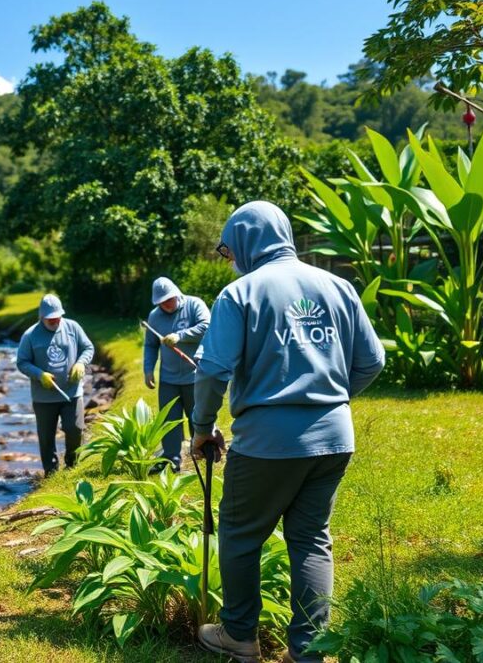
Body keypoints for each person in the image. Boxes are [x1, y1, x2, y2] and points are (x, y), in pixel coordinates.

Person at [191, 201, 385, 663]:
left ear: (244, 242)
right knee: (312, 539)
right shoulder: (339, 287)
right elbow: (373, 360)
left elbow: (213, 370)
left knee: (240, 534)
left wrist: (202, 427)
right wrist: (330, 399)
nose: (228, 259)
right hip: (333, 439)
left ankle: (239, 635)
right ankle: (309, 650)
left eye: (226, 250)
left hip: (267, 443)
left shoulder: (240, 293)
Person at [16, 293, 95, 476]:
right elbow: (22, 362)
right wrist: (39, 374)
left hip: (72, 392)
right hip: (43, 398)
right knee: (46, 437)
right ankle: (51, 472)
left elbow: (88, 348)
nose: (55, 321)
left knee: (75, 429)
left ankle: (72, 465)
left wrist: (81, 363)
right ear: (41, 317)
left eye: (57, 317)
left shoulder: (73, 327)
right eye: (50, 318)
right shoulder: (30, 335)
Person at [143, 277, 210, 473]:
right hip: (168, 379)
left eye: (169, 299)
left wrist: (180, 335)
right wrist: (148, 369)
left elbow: (207, 326)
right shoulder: (154, 316)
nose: (167, 304)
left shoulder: (194, 304)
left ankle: (203, 452)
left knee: (197, 417)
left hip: (194, 375)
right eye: (162, 302)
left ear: (176, 293)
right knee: (169, 420)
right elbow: (150, 345)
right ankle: (171, 458)